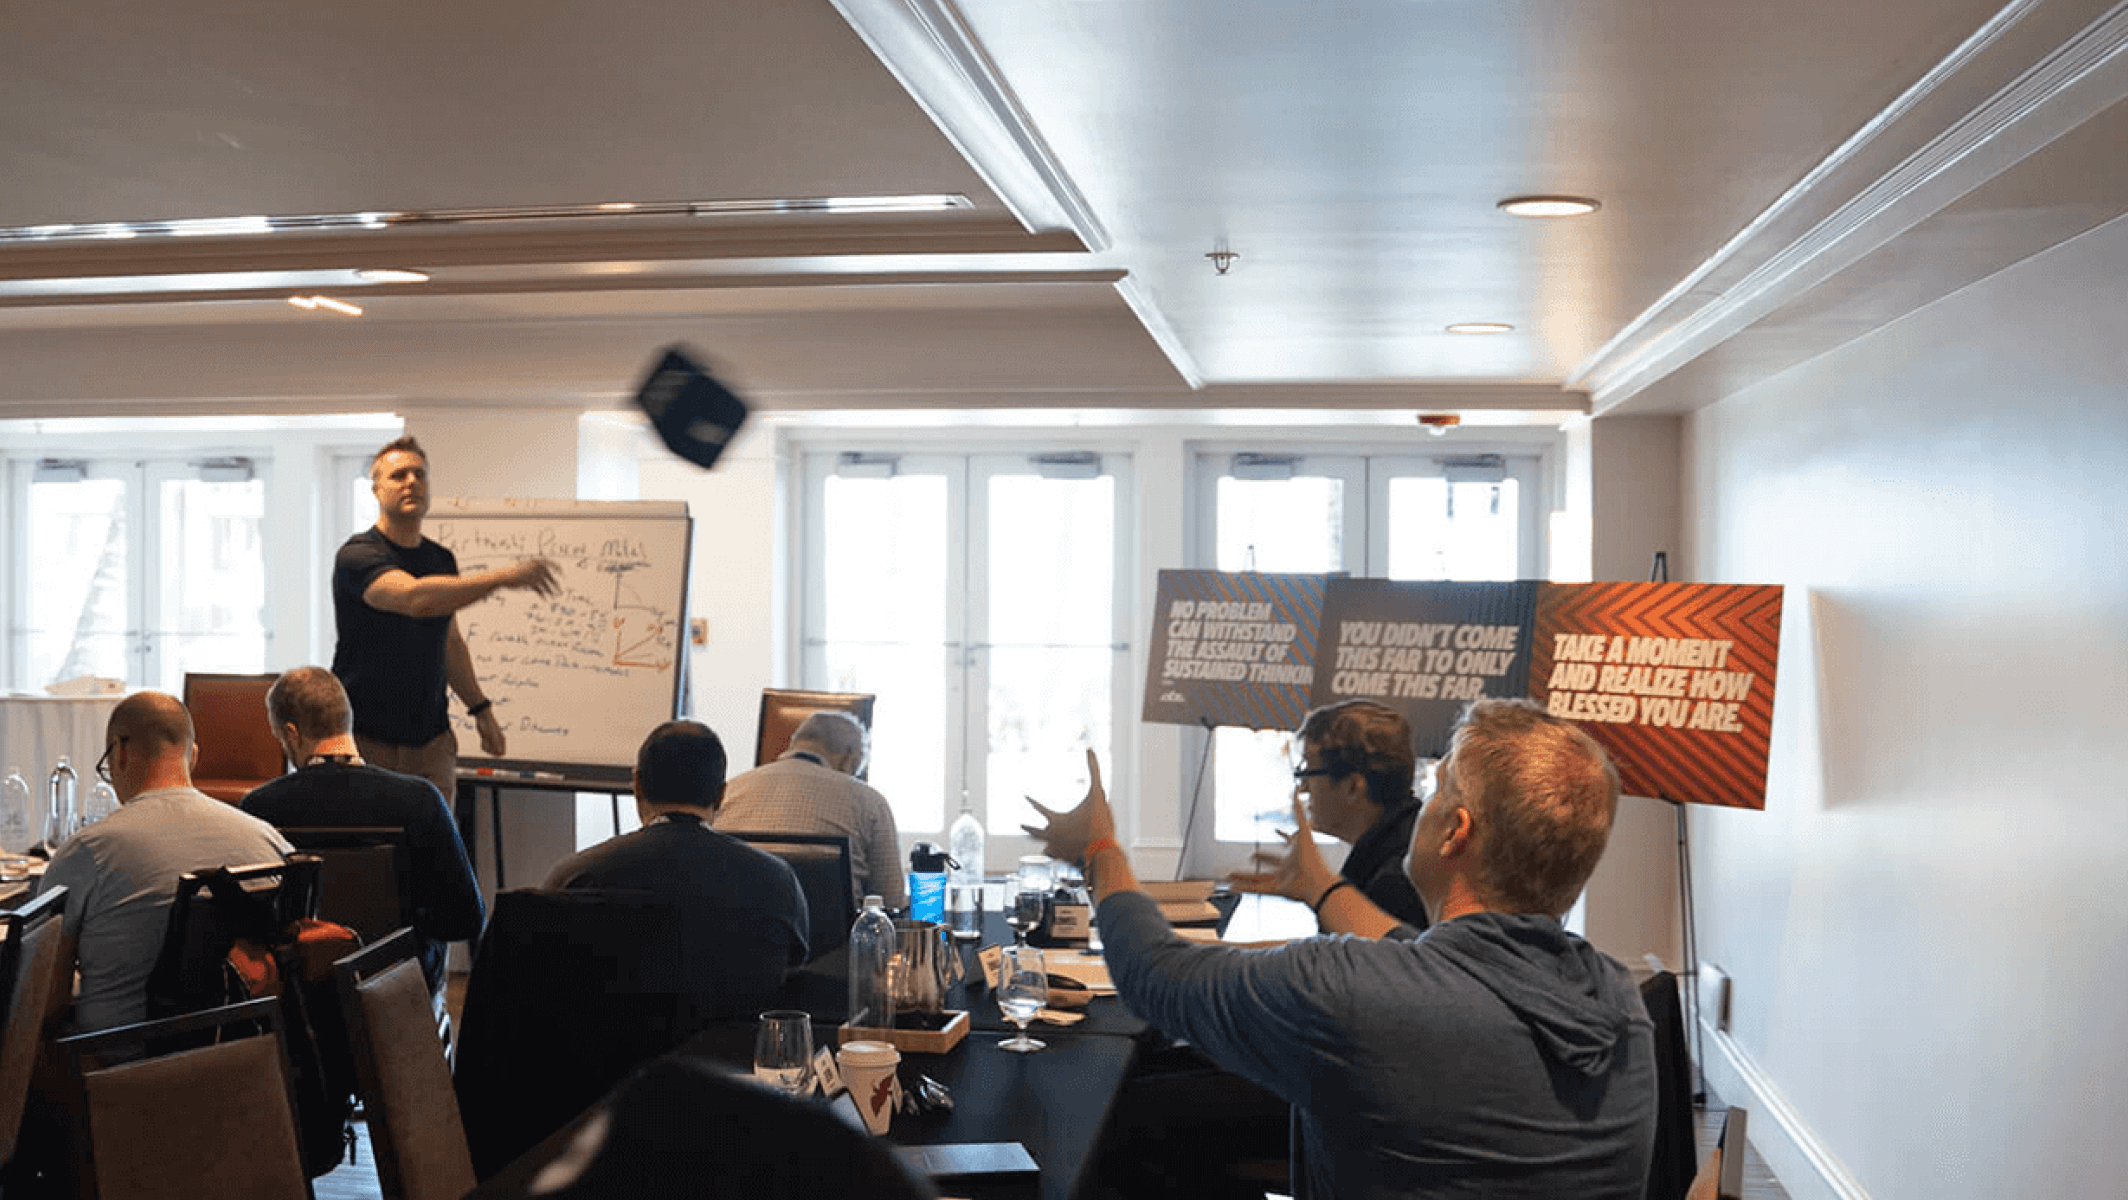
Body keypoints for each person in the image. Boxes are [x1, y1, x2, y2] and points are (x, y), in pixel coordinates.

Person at [1025, 698, 1657, 1200]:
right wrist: (1320, 886)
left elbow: (1153, 973)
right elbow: (1447, 964)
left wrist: (1100, 849)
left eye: (1437, 790)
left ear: (1456, 833)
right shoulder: (1621, 1004)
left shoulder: (1352, 988)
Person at [37, 691, 292, 1035]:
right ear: (194, 757)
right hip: (249, 1063)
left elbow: (46, 1001)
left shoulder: (88, 850)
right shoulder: (270, 840)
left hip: (118, 1066)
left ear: (120, 752)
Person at [331, 434, 560, 800]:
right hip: (368, 740)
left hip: (432, 743)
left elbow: (449, 641)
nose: (411, 483)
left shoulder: (441, 559)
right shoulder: (358, 556)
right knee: (373, 852)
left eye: (419, 475)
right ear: (376, 490)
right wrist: (504, 577)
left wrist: (480, 708)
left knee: (433, 851)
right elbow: (415, 598)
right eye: (398, 475)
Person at [240, 666, 485, 994]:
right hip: (400, 991)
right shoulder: (420, 800)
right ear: (346, 720)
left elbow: (252, 922)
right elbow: (465, 918)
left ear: (292, 734)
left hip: (305, 995)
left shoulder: (261, 807)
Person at [545, 720, 810, 972]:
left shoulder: (575, 875)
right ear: (720, 796)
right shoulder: (775, 880)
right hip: (736, 1019)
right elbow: (792, 966)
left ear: (637, 785)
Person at [1229, 699, 1430, 929]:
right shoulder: (1403, 844)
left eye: (1308, 773)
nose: (1303, 788)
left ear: (1353, 787)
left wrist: (1320, 889)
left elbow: (1342, 960)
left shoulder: (1394, 884)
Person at [712, 711, 906, 911]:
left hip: (738, 930)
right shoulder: (869, 801)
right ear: (849, 758)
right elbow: (891, 900)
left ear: (794, 743)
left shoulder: (730, 790)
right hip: (831, 939)